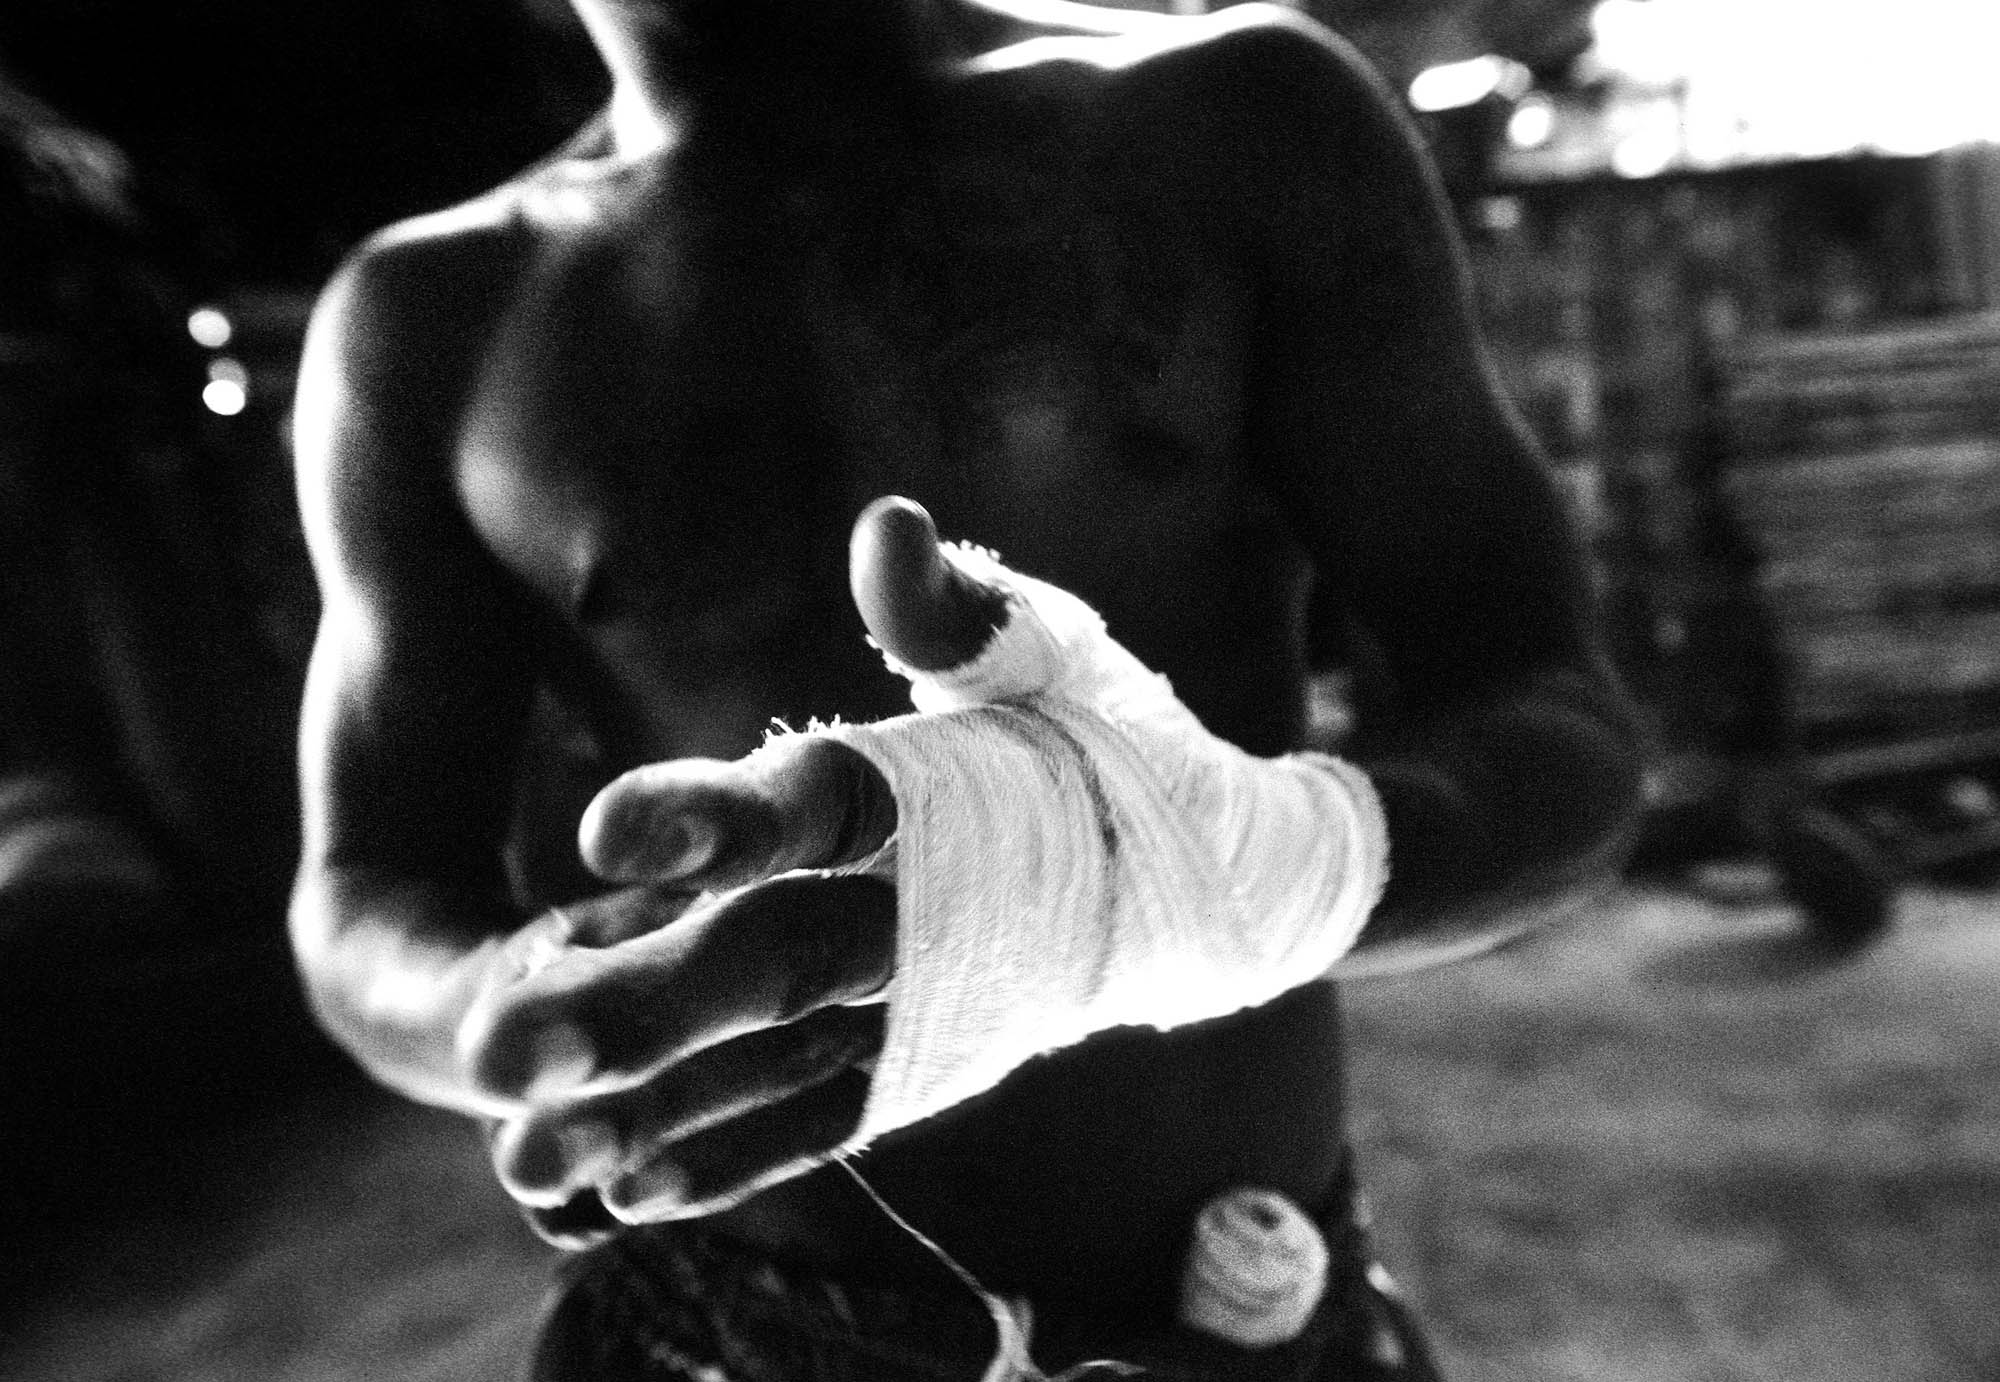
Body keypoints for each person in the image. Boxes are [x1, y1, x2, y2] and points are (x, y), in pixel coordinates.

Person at [288, 1, 1647, 1377]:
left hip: (1233, 1318)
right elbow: (362, 896)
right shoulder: (433, 320)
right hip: (724, 1333)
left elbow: (1566, 727)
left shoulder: (1235, 121)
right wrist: (533, 1007)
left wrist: (1173, 886)